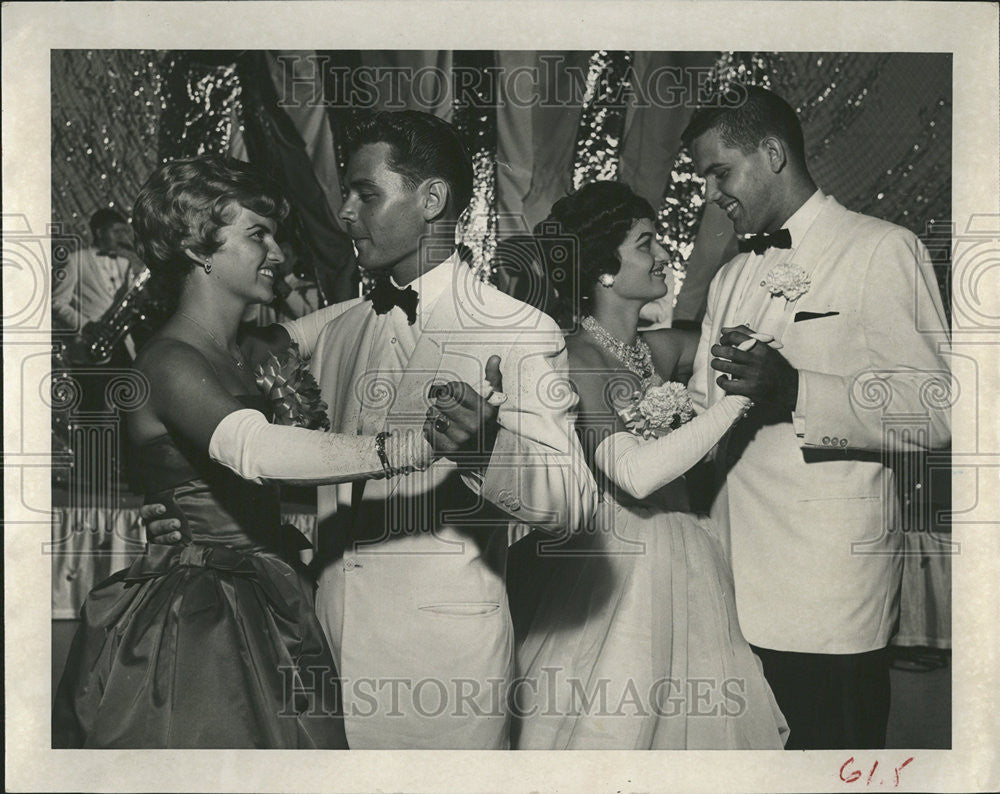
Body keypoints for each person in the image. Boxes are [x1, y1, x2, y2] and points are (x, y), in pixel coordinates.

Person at [143, 111, 597, 749]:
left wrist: (488, 452)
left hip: (444, 678)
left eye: (366, 193)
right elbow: (205, 370)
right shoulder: (337, 326)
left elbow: (573, 507)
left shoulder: (519, 329)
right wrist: (184, 494)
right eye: (345, 194)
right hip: (316, 655)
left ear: (431, 199)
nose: (345, 214)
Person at [52, 155, 443, 748]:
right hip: (197, 616)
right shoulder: (168, 362)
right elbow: (257, 449)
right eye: (257, 235)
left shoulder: (253, 351)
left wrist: (429, 278)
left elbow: (353, 315)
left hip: (273, 591)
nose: (279, 253)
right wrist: (419, 446)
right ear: (195, 246)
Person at [683, 85, 952, 749]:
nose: (711, 193)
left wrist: (799, 389)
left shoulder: (881, 248)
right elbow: (702, 408)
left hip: (828, 600)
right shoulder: (728, 276)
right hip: (727, 586)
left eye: (720, 172)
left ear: (771, 153)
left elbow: (936, 410)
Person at [509, 180, 788, 749]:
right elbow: (634, 473)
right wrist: (739, 399)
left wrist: (777, 291)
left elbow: (731, 337)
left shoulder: (660, 349)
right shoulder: (574, 358)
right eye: (646, 243)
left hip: (691, 549)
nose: (664, 255)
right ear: (603, 271)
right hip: (619, 561)